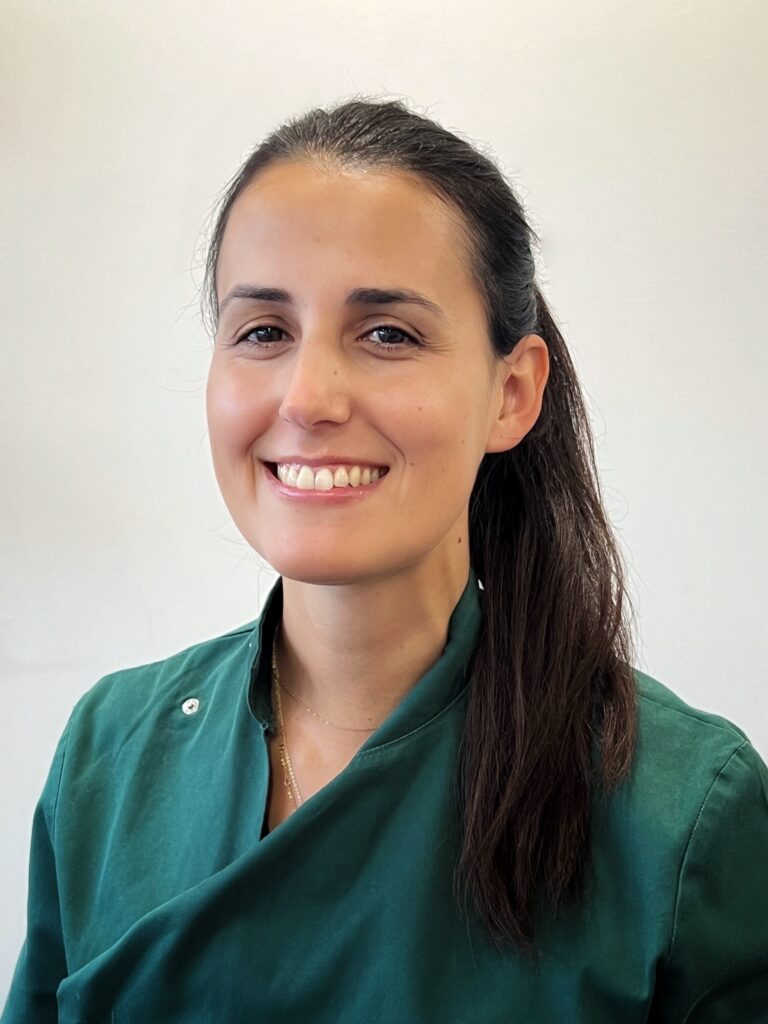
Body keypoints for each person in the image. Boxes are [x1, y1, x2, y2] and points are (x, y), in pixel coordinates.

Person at [3, 97, 767, 1023]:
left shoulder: (684, 815)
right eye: (263, 331)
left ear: (511, 394)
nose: (309, 396)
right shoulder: (107, 760)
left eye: (388, 334)